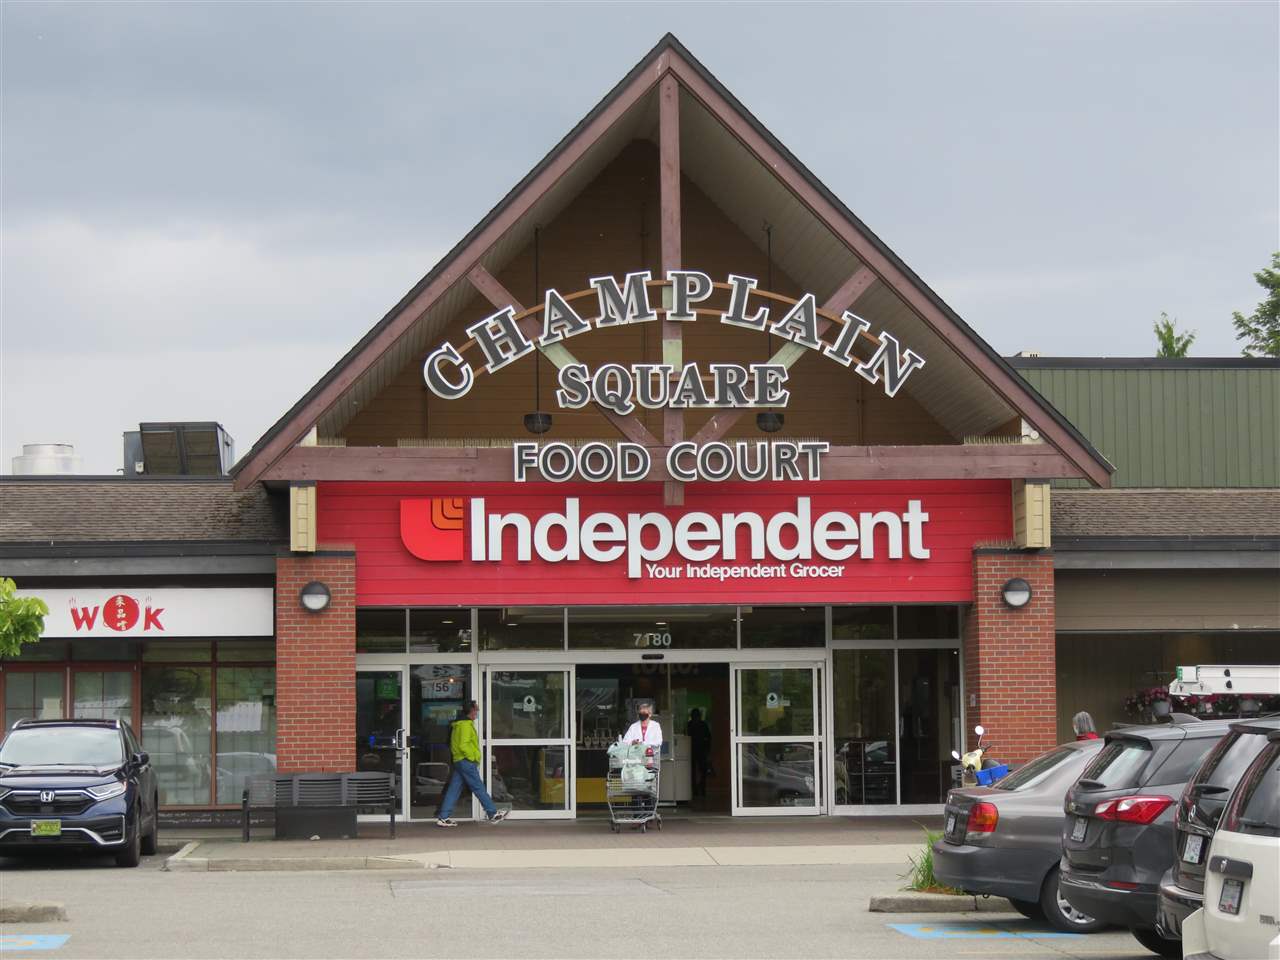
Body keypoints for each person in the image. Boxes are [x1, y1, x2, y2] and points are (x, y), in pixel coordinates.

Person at [435, 701, 507, 827]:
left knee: (454, 789)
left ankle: (443, 817)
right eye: (476, 710)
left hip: (460, 761)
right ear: (471, 710)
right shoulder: (465, 725)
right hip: (466, 761)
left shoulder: (459, 724)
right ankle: (492, 813)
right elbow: (463, 745)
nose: (477, 712)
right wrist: (473, 758)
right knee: (478, 787)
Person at [687, 708, 712, 799]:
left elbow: (708, 738)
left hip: (695, 750)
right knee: (699, 771)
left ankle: (697, 789)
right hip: (698, 750)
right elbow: (708, 738)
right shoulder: (702, 724)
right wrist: (707, 749)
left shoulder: (691, 724)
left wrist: (707, 749)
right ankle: (699, 789)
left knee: (697, 771)